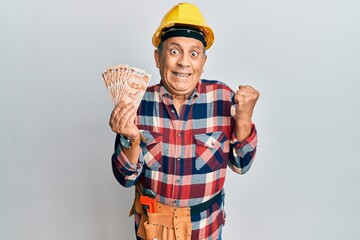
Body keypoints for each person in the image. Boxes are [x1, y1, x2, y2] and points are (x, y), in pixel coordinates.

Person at [109, 3, 259, 240]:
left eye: (194, 53)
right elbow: (125, 179)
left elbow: (242, 165)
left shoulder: (223, 97)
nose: (184, 63)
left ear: (203, 62)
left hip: (205, 230)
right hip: (152, 231)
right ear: (158, 58)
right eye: (174, 51)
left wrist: (244, 118)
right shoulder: (137, 102)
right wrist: (130, 139)